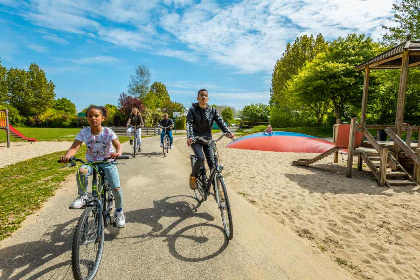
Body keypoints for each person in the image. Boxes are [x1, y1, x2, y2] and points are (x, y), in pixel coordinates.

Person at [59, 105, 126, 228]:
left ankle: (119, 212)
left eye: (96, 116)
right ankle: (83, 196)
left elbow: (118, 146)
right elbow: (74, 147)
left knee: (116, 188)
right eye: (90, 116)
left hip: (107, 162)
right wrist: (67, 157)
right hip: (91, 162)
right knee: (81, 170)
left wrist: (118, 154)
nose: (93, 118)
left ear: (103, 118)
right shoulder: (84, 132)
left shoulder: (108, 132)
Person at [186, 89, 234, 189]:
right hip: (196, 139)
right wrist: (190, 136)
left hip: (208, 139)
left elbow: (220, 122)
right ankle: (193, 177)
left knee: (212, 164)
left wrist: (227, 132)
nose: (203, 97)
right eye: (201, 95)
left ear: (208, 98)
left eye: (205, 95)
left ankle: (217, 190)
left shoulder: (213, 110)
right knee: (201, 158)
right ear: (198, 98)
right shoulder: (192, 110)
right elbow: (189, 123)